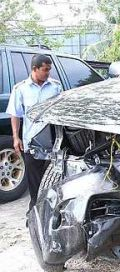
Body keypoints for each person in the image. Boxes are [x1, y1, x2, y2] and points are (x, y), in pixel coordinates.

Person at [6, 54, 62, 212]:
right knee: (35, 182)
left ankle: (52, 211)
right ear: (34, 69)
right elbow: (15, 114)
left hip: (53, 143)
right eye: (45, 70)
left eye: (49, 70)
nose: (48, 73)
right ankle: (35, 212)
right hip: (32, 143)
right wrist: (16, 138)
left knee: (54, 179)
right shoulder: (21, 89)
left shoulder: (55, 87)